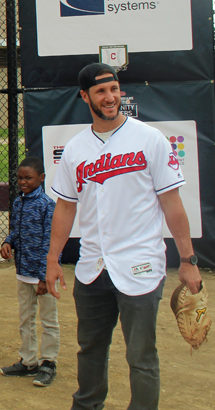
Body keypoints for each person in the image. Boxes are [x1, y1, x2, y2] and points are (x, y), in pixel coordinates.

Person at [45, 62, 203, 409]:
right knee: (89, 350)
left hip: (140, 264)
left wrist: (189, 261)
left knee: (141, 356)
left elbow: (172, 204)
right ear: (85, 96)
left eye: (114, 89)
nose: (111, 97)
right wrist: (53, 259)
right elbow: (66, 208)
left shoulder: (149, 139)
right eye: (101, 91)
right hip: (92, 266)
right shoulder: (74, 149)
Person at [0, 156, 59, 387]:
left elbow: (50, 243)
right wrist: (8, 242)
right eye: (19, 178)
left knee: (48, 319)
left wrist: (45, 276)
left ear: (41, 178)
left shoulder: (47, 205)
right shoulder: (18, 202)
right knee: (26, 318)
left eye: (28, 178)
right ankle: (28, 360)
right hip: (22, 272)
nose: (22, 182)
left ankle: (48, 362)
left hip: (42, 275)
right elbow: (15, 230)